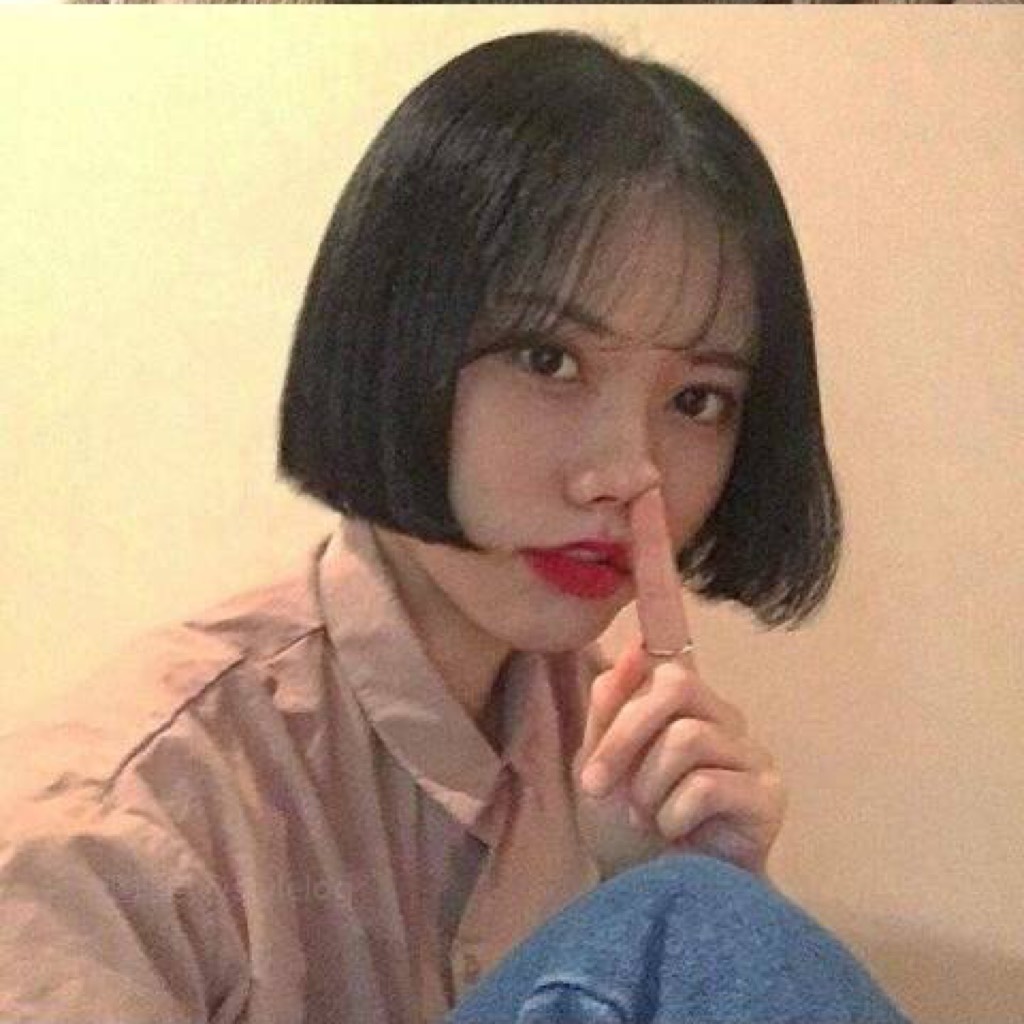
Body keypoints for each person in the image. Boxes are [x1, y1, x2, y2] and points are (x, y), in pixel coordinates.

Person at [0, 29, 911, 1024]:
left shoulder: (610, 750)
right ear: (394, 338)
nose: (629, 471)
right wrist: (673, 927)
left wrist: (679, 892)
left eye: (697, 399)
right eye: (547, 359)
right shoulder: (112, 832)